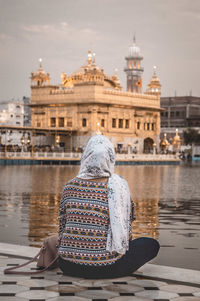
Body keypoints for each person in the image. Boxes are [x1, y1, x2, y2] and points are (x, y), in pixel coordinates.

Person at [58, 135, 159, 279]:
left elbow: (62, 225)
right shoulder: (118, 187)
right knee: (152, 244)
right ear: (111, 158)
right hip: (105, 268)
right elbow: (127, 230)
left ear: (86, 156)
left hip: (67, 265)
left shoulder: (70, 185)